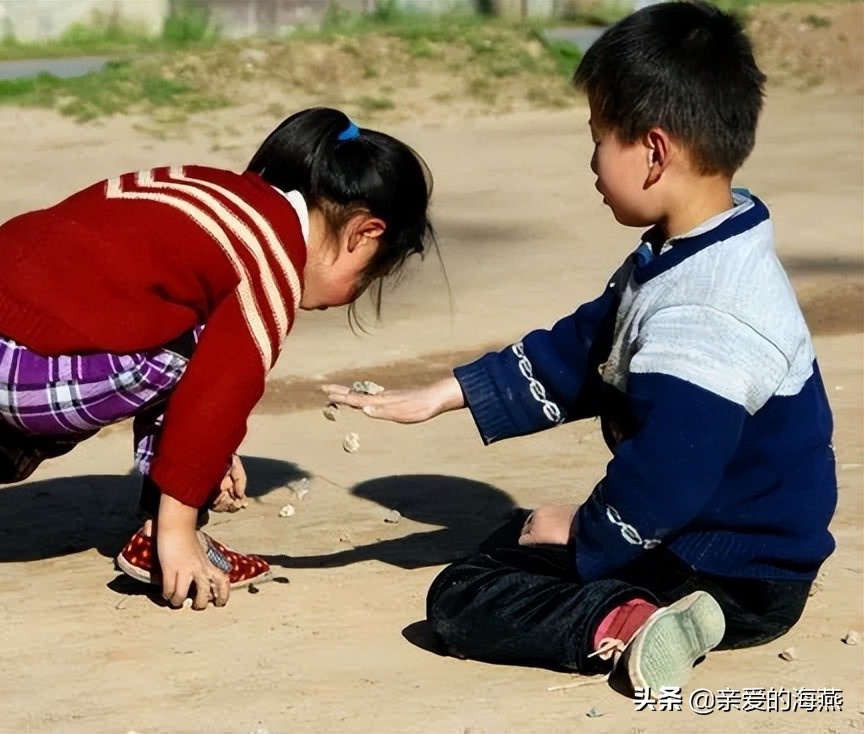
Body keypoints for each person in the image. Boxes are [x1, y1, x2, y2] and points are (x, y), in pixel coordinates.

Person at [326, 1, 836, 694]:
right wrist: (444, 395)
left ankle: (634, 621)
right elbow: (585, 346)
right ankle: (659, 611)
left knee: (465, 594)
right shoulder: (700, 246)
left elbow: (671, 471)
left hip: (729, 566)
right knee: (515, 538)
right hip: (734, 551)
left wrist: (587, 530)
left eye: (598, 137)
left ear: (654, 152)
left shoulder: (708, 310)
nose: (591, 161)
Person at [0, 107, 435, 612]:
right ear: (364, 233)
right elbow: (216, 397)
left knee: (133, 338)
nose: (355, 294)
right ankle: (160, 537)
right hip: (30, 372)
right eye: (369, 277)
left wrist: (212, 459)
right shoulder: (270, 259)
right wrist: (183, 516)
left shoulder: (206, 186)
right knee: (199, 359)